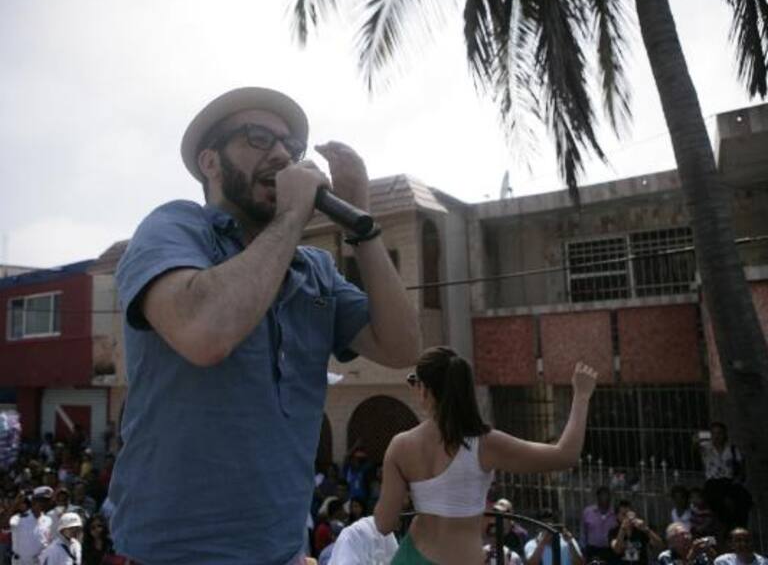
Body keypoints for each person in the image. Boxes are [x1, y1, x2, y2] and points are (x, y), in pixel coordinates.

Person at [108, 86, 420, 565]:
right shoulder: (173, 229)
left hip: (284, 550)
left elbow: (401, 347)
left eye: (291, 147)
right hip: (172, 554)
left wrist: (363, 228)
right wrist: (293, 215)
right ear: (210, 162)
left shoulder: (314, 269)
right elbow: (204, 333)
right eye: (258, 138)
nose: (281, 155)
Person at [373, 348, 599, 565]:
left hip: (411, 557)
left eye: (414, 382)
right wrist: (581, 395)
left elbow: (384, 524)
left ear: (425, 389)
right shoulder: (486, 444)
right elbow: (565, 455)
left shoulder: (401, 445)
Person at [693, 422, 751, 530]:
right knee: (716, 500)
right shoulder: (706, 448)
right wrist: (703, 436)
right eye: (714, 433)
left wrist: (739, 479)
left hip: (728, 481)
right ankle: (726, 525)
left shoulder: (732, 449)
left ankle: (740, 527)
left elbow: (741, 466)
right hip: (713, 482)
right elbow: (695, 443)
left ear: (725, 434)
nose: (717, 436)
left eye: (720, 433)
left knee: (743, 498)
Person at [8, 486, 54, 565]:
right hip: (22, 562)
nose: (44, 503)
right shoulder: (19, 518)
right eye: (41, 500)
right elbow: (3, 524)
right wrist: (16, 504)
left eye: (47, 501)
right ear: (33, 501)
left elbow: (47, 541)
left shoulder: (48, 520)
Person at [609, 500, 663, 565]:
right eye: (624, 515)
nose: (627, 518)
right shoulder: (613, 532)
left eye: (629, 514)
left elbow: (659, 545)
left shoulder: (641, 530)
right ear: (617, 516)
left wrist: (647, 530)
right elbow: (617, 550)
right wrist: (623, 529)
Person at [581, 486, 617, 562]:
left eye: (607, 495)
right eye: (602, 495)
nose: (604, 498)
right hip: (592, 550)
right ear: (597, 497)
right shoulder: (588, 512)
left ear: (610, 497)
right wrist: (583, 549)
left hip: (609, 551)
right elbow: (583, 532)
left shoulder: (615, 514)